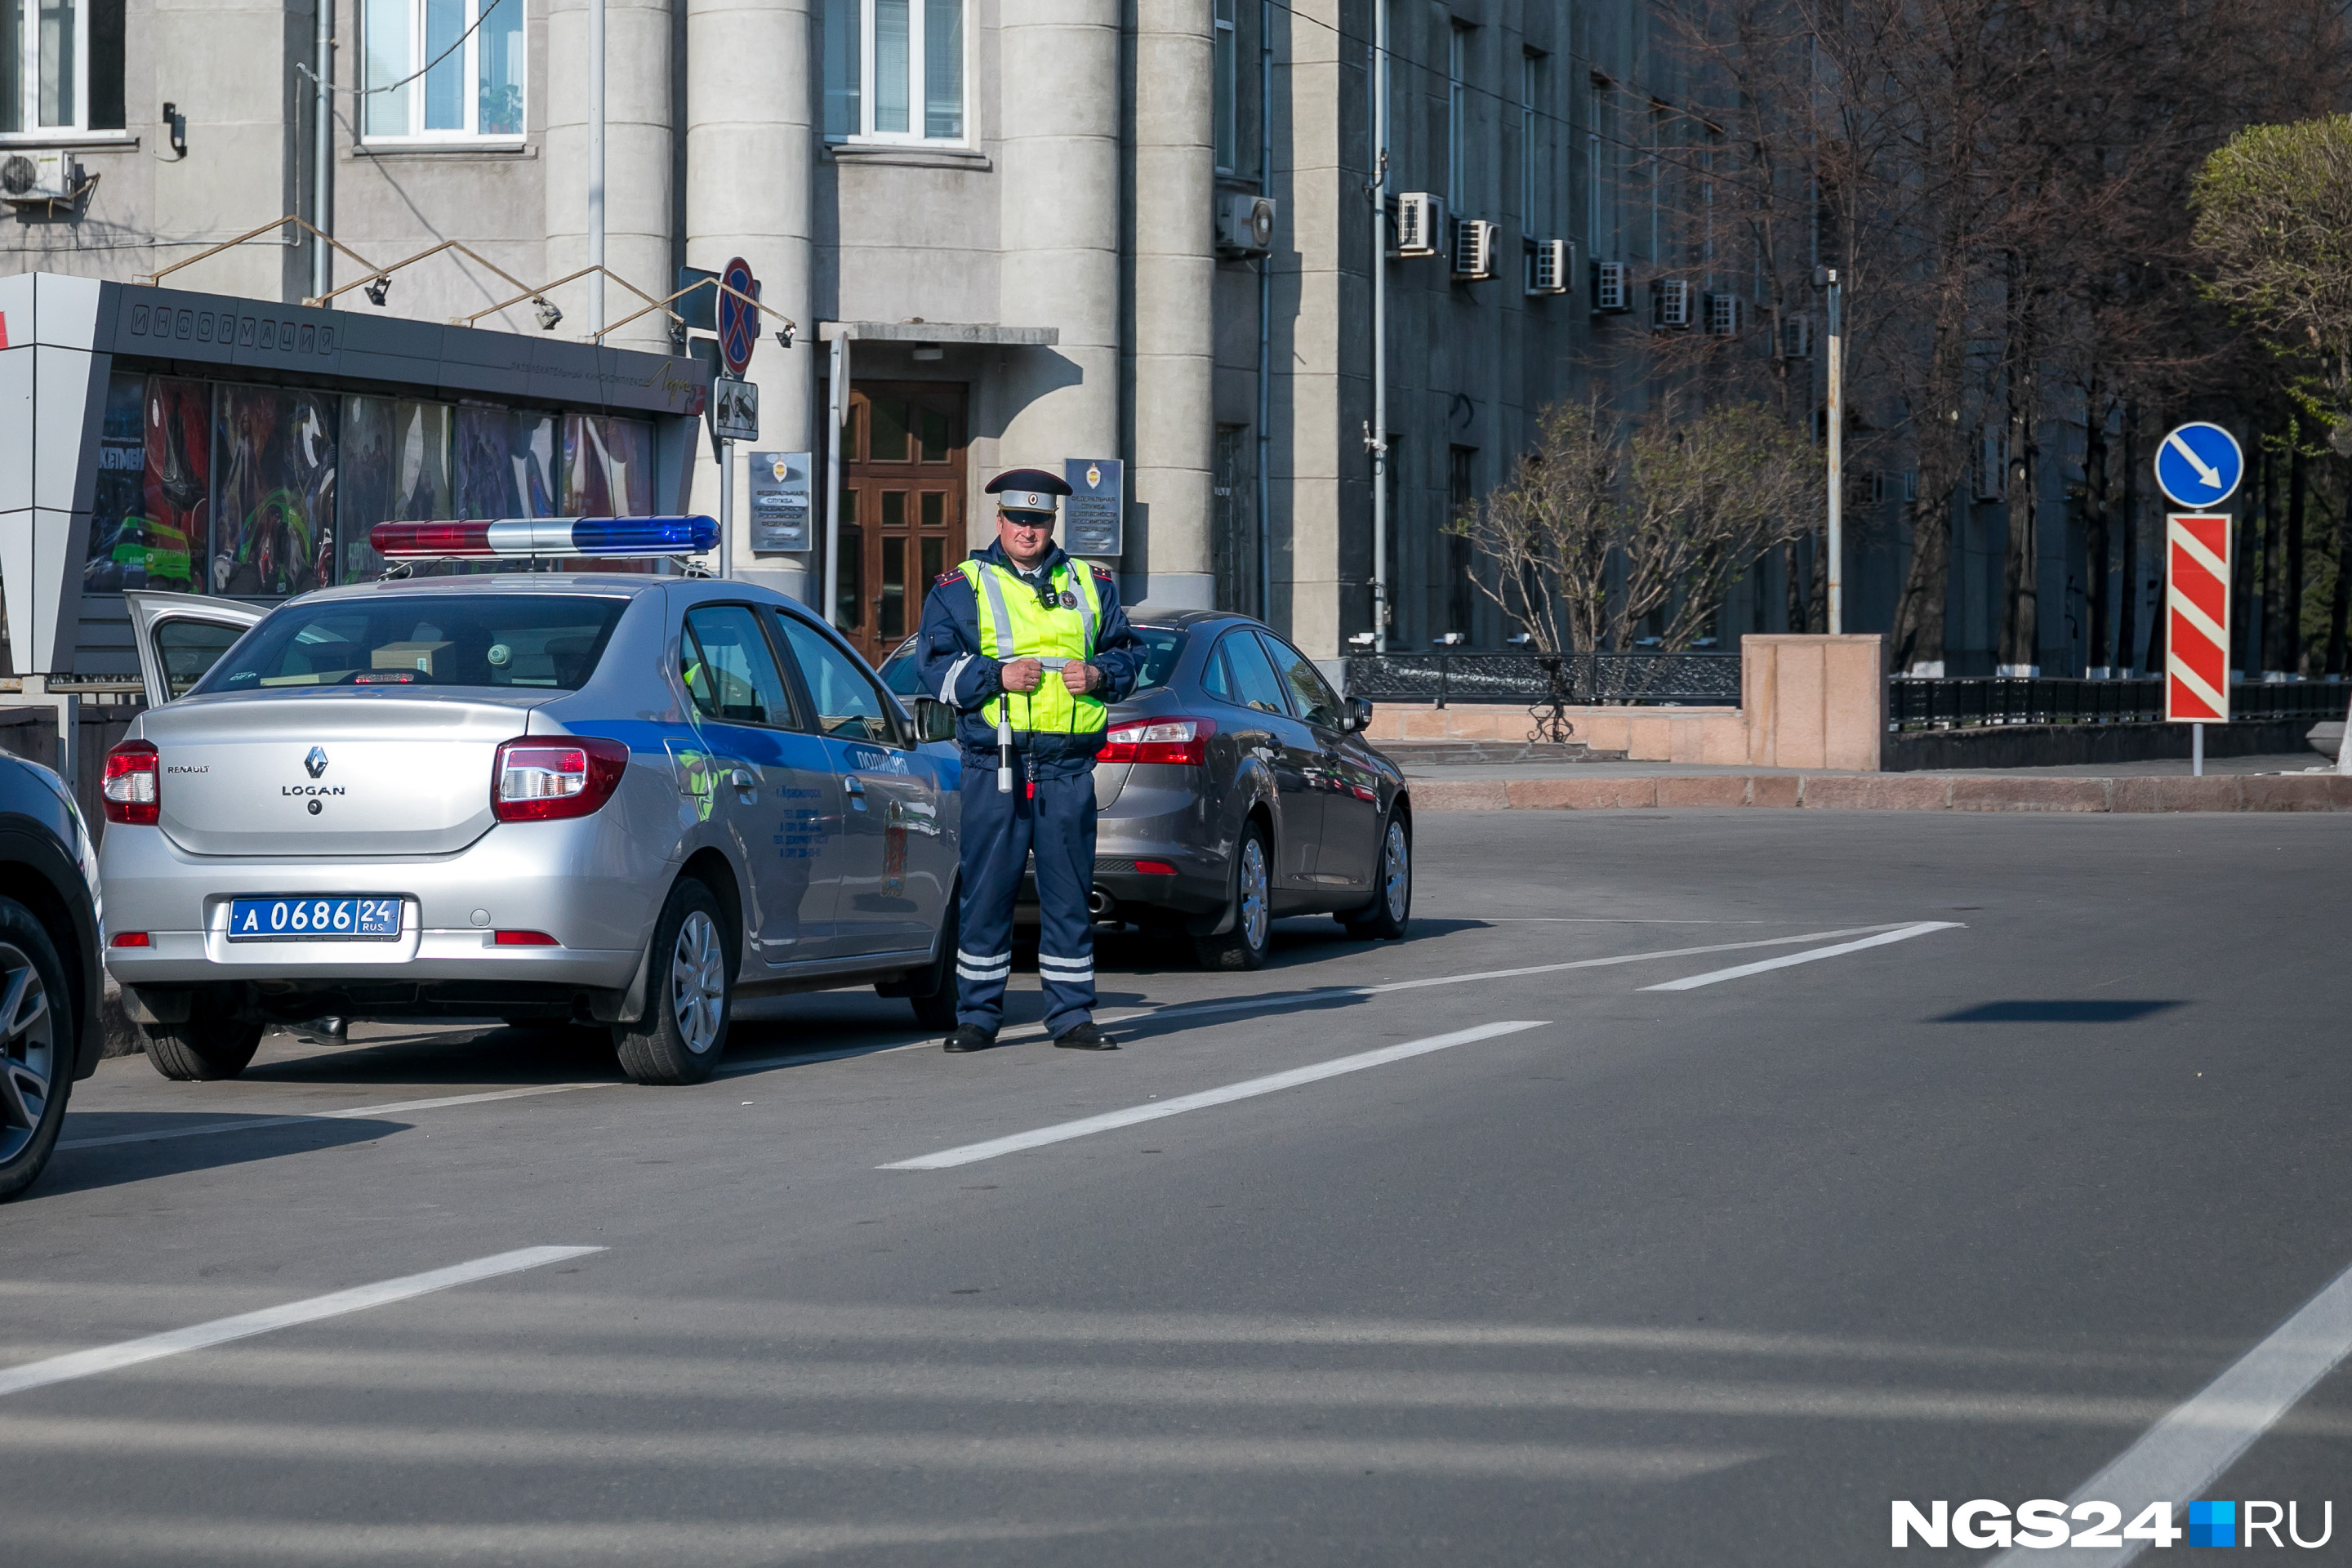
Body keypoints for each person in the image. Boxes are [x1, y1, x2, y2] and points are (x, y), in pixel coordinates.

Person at [917, 467, 1145, 1053]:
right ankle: (977, 1018)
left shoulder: (1091, 583)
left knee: (1069, 894)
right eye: (1019, 519)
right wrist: (996, 676)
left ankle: (1072, 1018)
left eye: (1039, 520)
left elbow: (1127, 653)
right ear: (1000, 521)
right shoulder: (959, 586)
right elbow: (935, 671)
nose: (1028, 529)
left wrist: (1100, 673)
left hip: (1067, 767)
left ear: (1051, 524)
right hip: (997, 765)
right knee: (987, 894)